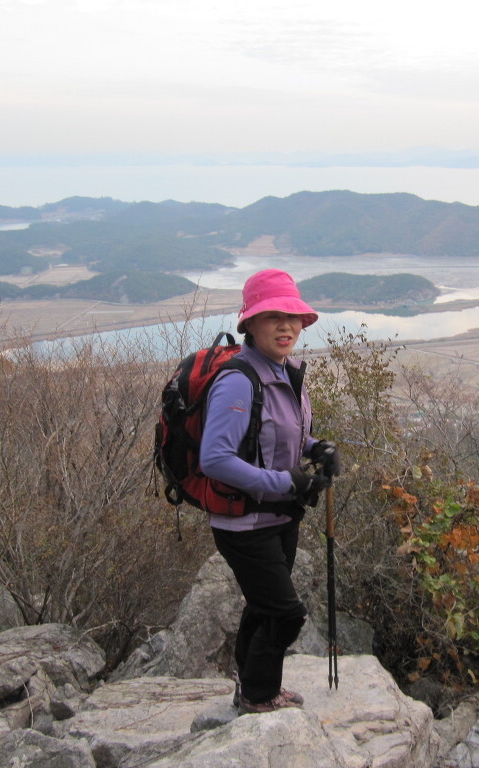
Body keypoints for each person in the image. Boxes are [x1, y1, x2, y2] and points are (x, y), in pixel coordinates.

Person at [199, 268, 341, 715]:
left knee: (263, 607)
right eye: (273, 317)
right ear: (250, 324)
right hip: (245, 523)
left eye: (293, 317)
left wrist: (318, 448)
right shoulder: (239, 380)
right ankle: (260, 696)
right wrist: (286, 483)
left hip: (280, 515)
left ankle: (250, 686)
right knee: (285, 613)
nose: (286, 326)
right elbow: (215, 459)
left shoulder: (285, 371)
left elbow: (283, 436)